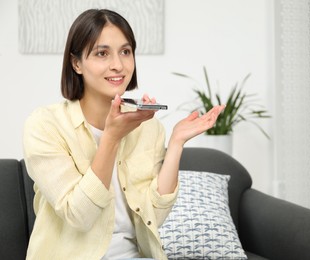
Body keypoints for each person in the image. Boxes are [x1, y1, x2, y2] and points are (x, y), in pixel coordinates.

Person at [23, 9, 224, 260]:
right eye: (102, 53)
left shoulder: (149, 128)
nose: (118, 65)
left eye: (125, 52)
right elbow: (79, 215)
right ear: (76, 64)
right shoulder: (45, 125)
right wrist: (112, 137)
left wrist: (176, 143)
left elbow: (153, 218)